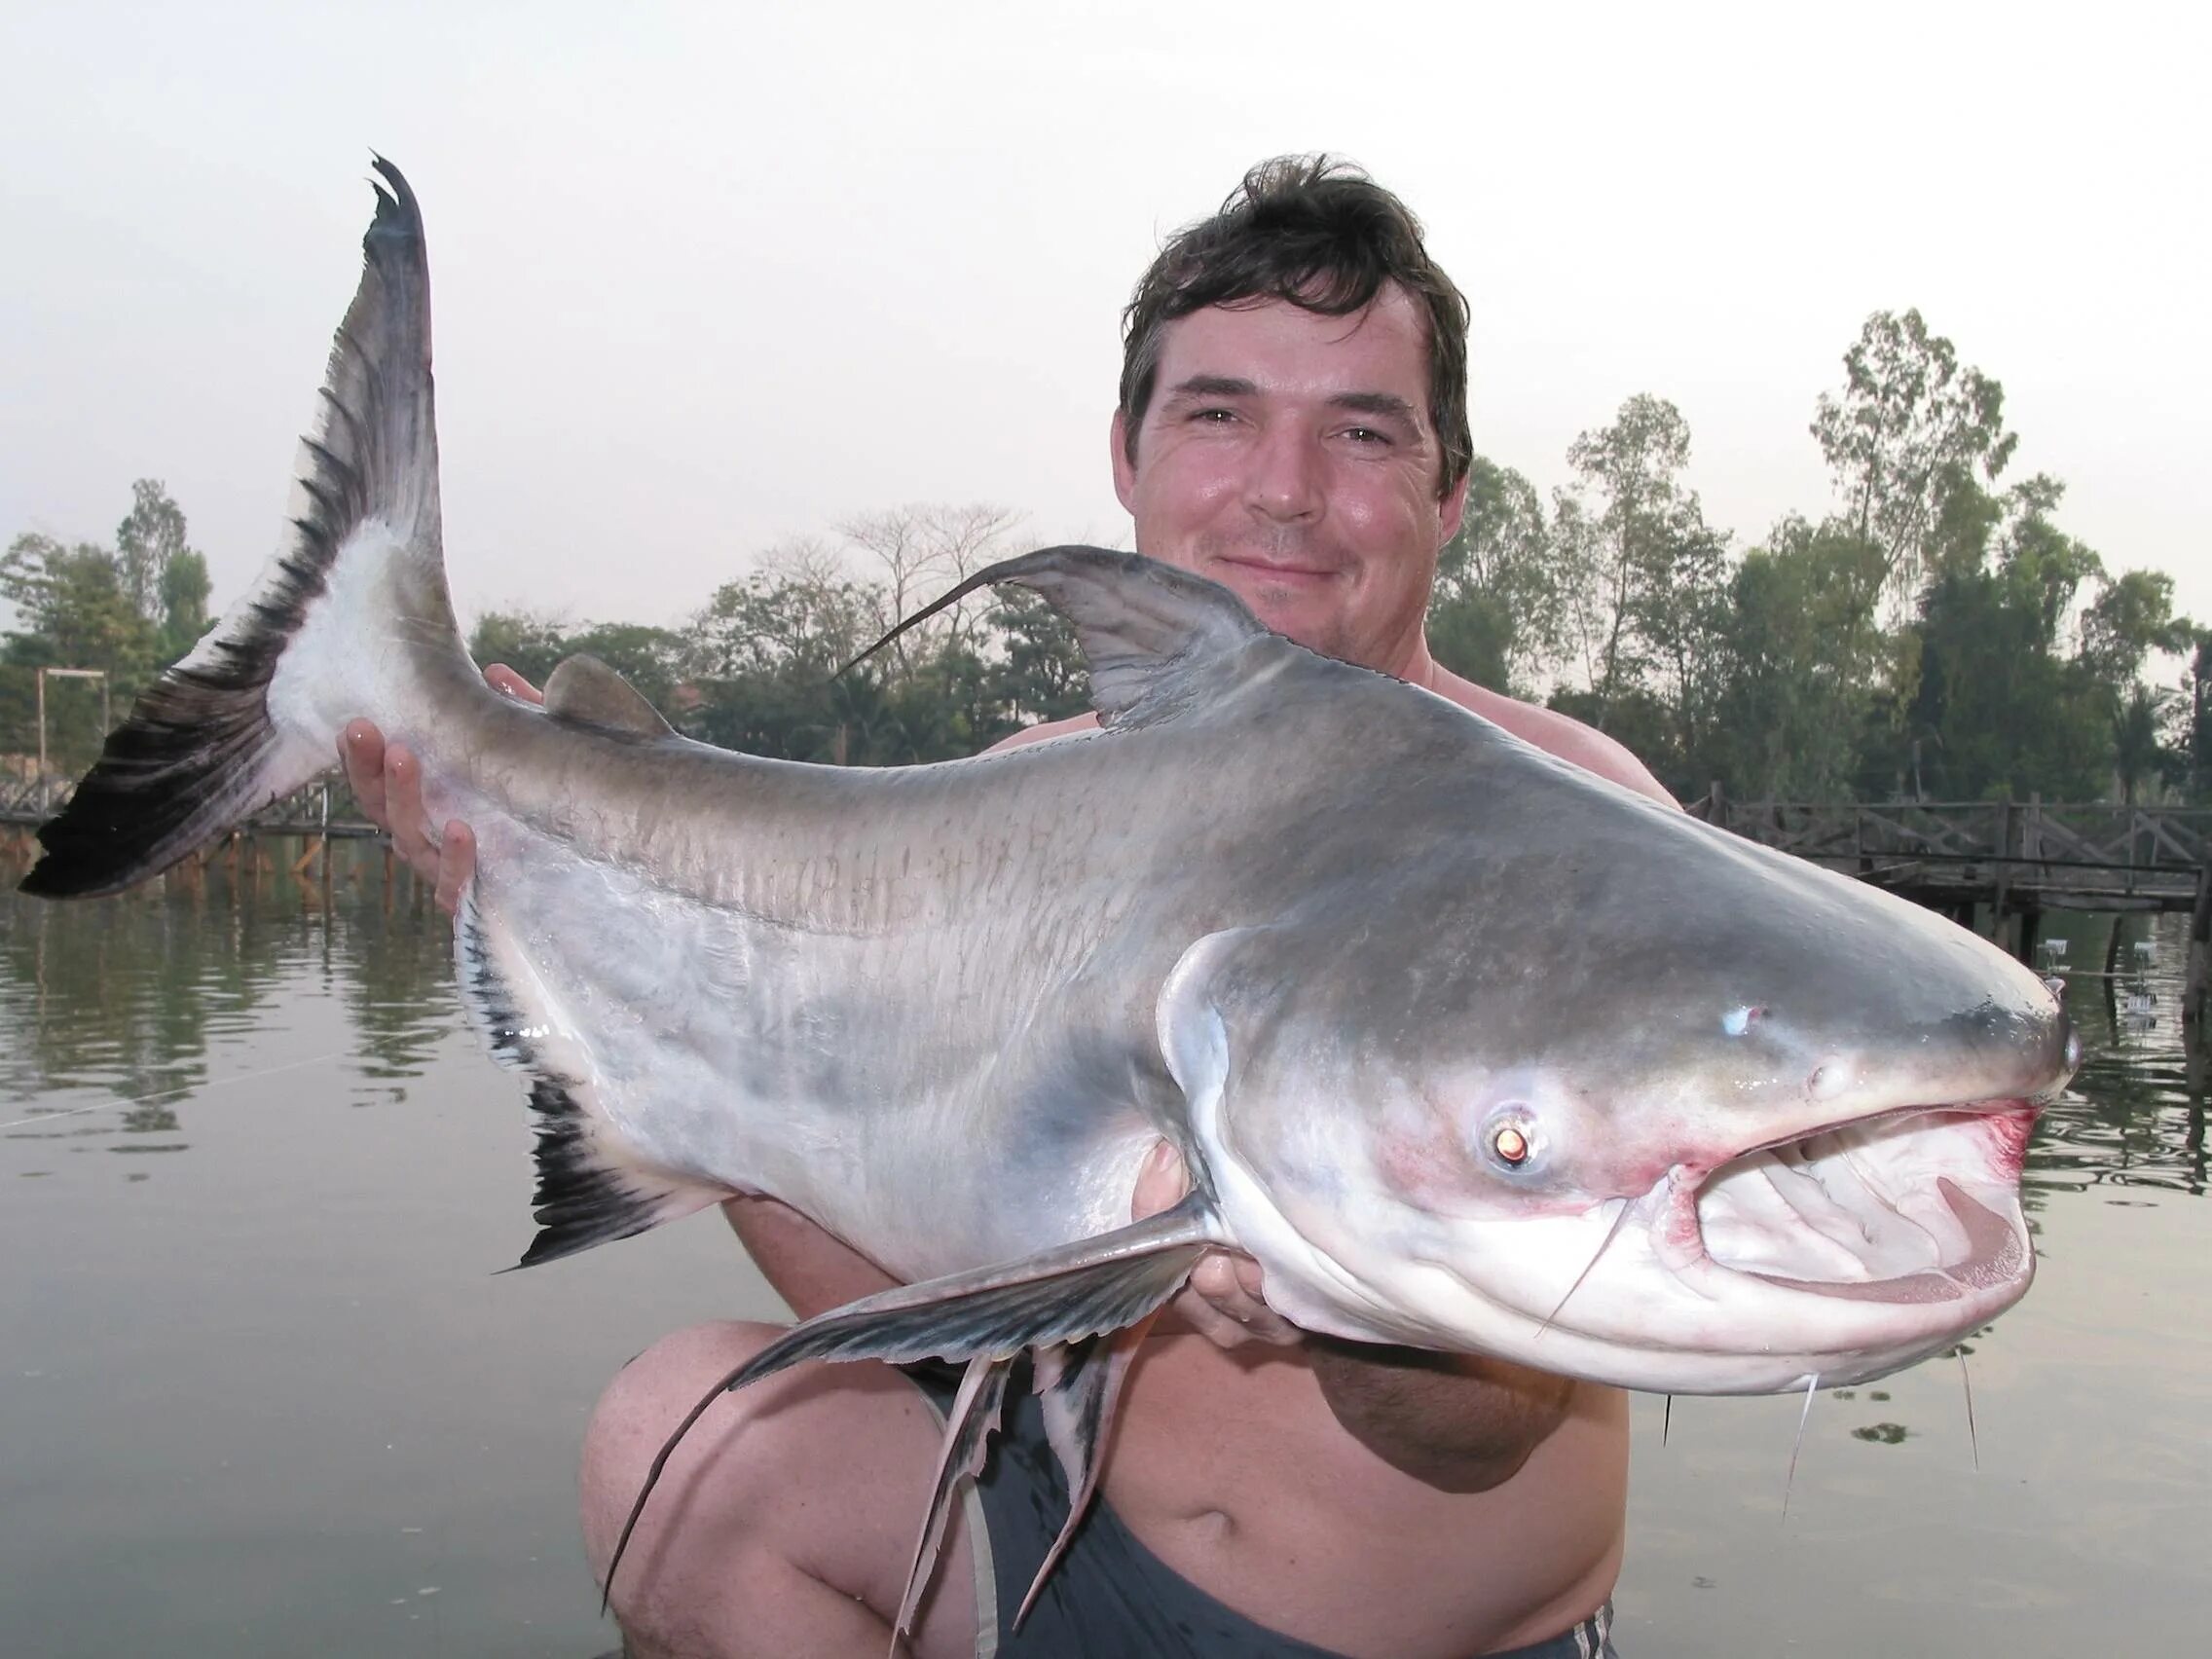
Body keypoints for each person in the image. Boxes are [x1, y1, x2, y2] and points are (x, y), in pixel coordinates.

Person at [345, 157, 1669, 1659]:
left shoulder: (1581, 835)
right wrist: (616, 1001)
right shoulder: (1007, 811)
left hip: (1429, 1636)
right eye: (1219, 413)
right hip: (1055, 1558)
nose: (1285, 490)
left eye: (1361, 431)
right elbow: (931, 1282)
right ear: (1127, 454)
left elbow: (1471, 1438)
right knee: (683, 1453)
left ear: (1451, 490)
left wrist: (1349, 1295)